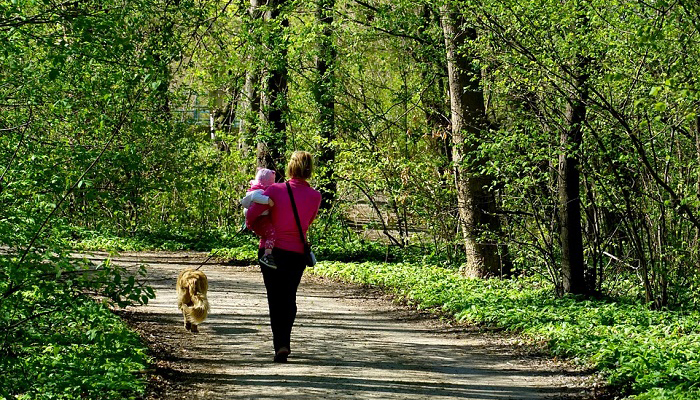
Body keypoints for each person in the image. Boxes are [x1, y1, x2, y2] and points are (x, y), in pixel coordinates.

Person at [245, 151, 321, 363]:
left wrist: (258, 228)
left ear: (290, 167)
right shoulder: (316, 197)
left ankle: (281, 344)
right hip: (297, 253)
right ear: (309, 170)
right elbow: (308, 223)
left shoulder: (274, 190)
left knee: (274, 298)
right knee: (289, 298)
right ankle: (284, 341)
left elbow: (250, 216)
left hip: (272, 252)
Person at [240, 168, 277, 269]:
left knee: (267, 234)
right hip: (259, 219)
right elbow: (255, 197)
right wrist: (268, 200)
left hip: (258, 219)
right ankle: (267, 255)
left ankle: (266, 252)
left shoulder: (255, 190)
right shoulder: (258, 191)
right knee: (271, 233)